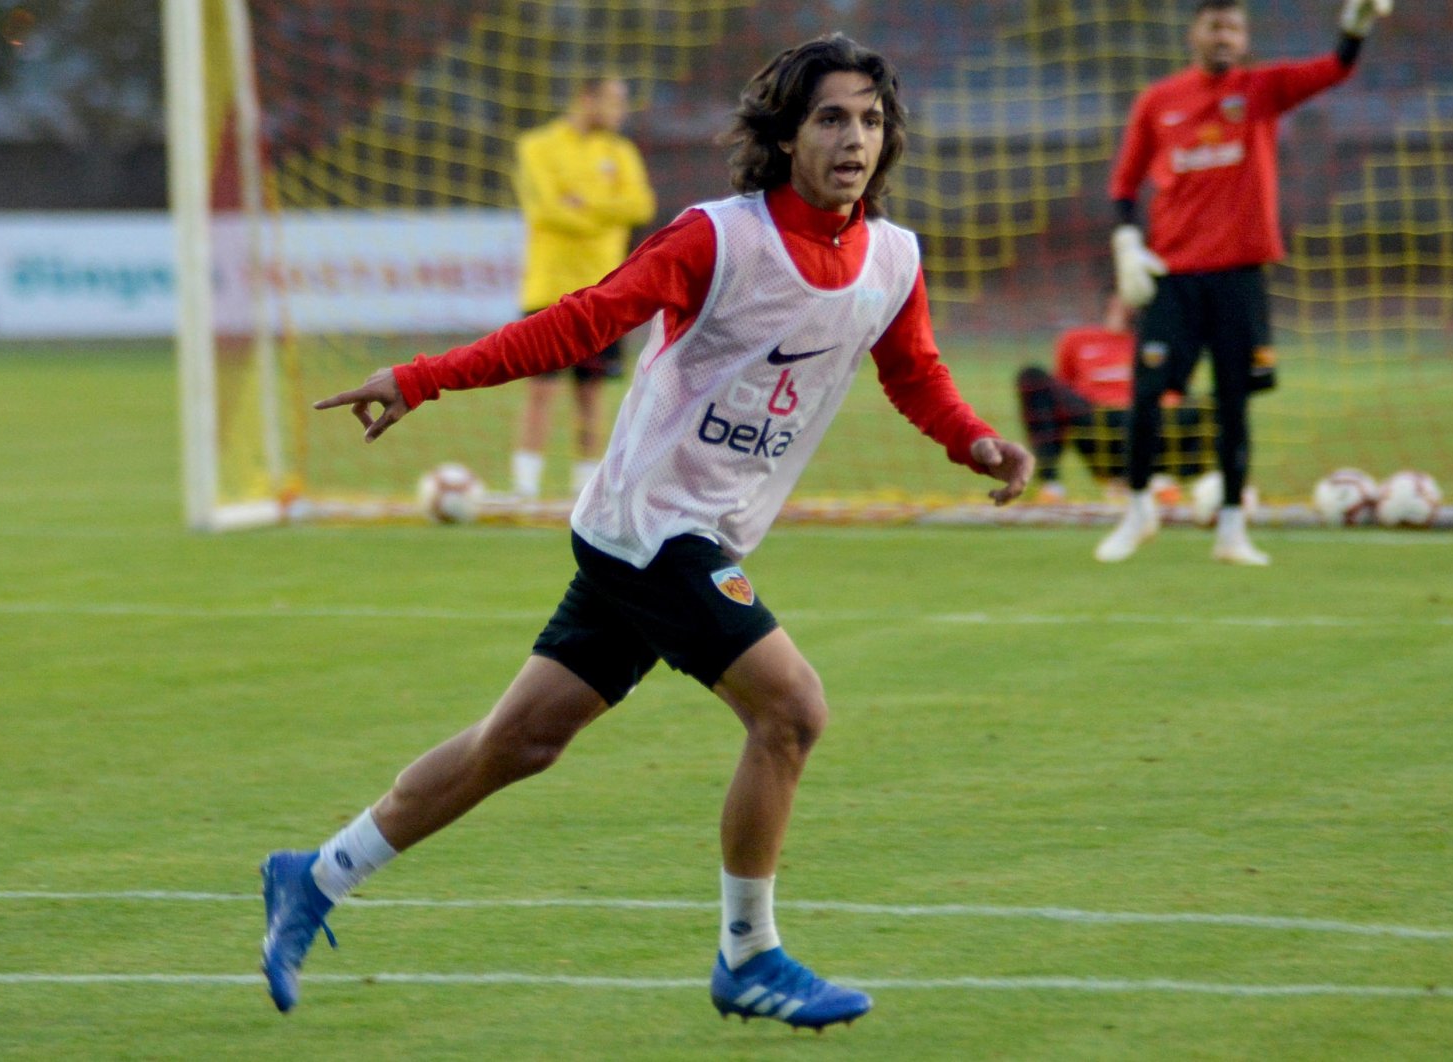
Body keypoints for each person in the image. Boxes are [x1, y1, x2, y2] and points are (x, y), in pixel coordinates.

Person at [260, 33, 1035, 1031]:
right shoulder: (718, 237)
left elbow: (912, 371)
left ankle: (314, 875)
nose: (855, 138)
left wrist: (973, 443)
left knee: (520, 742)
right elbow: (579, 321)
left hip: (698, 529)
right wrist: (420, 377)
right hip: (651, 525)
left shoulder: (893, 257)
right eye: (831, 118)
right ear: (786, 134)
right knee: (791, 710)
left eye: (872, 120)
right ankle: (748, 954)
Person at [1095, 0, 1392, 565]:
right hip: (1174, 280)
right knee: (1147, 397)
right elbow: (1124, 185)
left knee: (1234, 405)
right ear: (1195, 33)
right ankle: (1137, 512)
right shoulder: (1158, 101)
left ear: (1244, 36)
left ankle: (1231, 531)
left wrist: (1357, 25)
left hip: (1239, 280)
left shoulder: (1263, 89)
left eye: (1233, 26)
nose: (1224, 35)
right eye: (1214, 25)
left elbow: (1335, 68)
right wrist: (1128, 245)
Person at [511, 76, 656, 499]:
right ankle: (525, 488)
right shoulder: (537, 146)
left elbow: (640, 206)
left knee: (591, 396)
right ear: (586, 99)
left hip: (604, 292)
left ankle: (585, 491)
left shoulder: (620, 151)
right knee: (540, 390)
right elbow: (546, 211)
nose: (620, 111)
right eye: (614, 101)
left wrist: (582, 203)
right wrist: (604, 211)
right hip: (548, 289)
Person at [1017, 291, 1210, 502]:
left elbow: (1179, 390)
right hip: (1097, 423)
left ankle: (1164, 479)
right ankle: (1051, 486)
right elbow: (1063, 390)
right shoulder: (1076, 339)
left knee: (1222, 401)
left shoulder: (1160, 341)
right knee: (1032, 377)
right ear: (1113, 298)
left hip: (1153, 424)